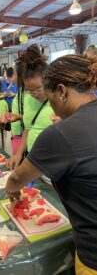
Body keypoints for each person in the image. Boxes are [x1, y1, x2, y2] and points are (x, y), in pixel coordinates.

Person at [6, 54, 97, 275]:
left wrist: (11, 189)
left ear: (61, 91)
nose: (53, 109)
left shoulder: (60, 134)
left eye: (49, 98)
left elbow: (18, 178)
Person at [6, 45, 53, 169]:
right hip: (33, 159)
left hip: (52, 162)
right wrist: (19, 154)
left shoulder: (58, 101)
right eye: (29, 90)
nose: (34, 94)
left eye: (38, 89)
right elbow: (28, 128)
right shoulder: (28, 98)